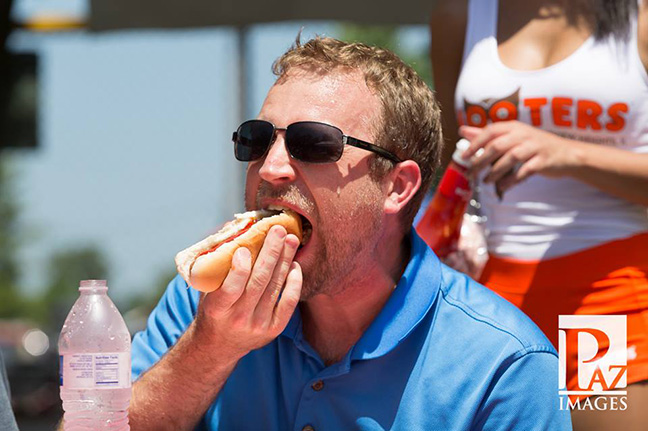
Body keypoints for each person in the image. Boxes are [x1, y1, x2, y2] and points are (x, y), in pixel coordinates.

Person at [128, 36, 571, 430]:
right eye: (257, 139)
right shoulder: (205, 304)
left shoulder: (505, 368)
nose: (270, 167)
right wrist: (211, 349)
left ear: (396, 186)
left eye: (314, 144)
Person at [430, 0, 648, 429]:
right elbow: (446, 153)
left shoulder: (639, 16)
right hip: (488, 303)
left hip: (607, 301)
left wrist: (566, 153)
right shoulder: (460, 12)